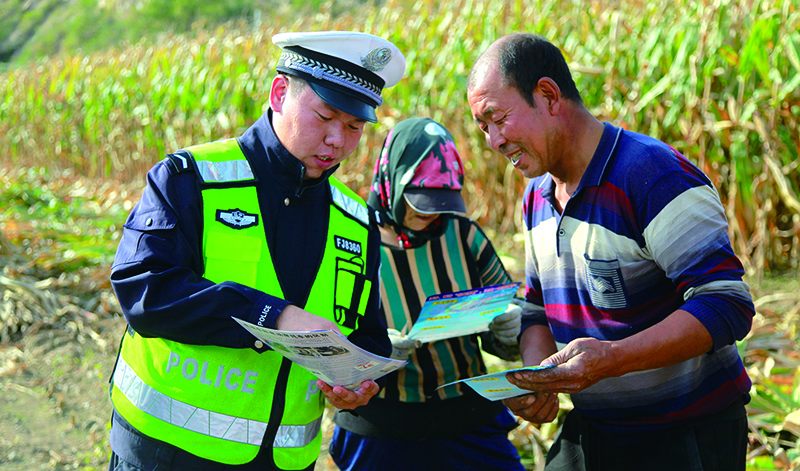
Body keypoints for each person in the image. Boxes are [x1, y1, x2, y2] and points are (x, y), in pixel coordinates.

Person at [106, 31, 405, 471]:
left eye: (354, 127)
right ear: (279, 93)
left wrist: (357, 386)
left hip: (285, 460)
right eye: (325, 116)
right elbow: (143, 292)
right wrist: (273, 316)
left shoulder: (358, 222)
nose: (337, 141)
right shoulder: (191, 179)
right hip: (164, 452)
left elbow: (366, 333)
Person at [466, 34, 755, 471]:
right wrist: (538, 378)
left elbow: (726, 303)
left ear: (548, 96)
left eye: (498, 118)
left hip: (686, 431)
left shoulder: (652, 176)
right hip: (597, 429)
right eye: (482, 127)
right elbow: (535, 307)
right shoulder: (536, 196)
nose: (493, 140)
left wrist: (614, 359)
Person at [328, 117, 527, 471]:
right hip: (382, 426)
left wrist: (510, 329)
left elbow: (507, 307)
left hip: (467, 417)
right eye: (419, 201)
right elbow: (324, 334)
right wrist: (371, 353)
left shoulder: (464, 236)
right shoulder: (352, 242)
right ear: (391, 181)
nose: (430, 213)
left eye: (440, 202)